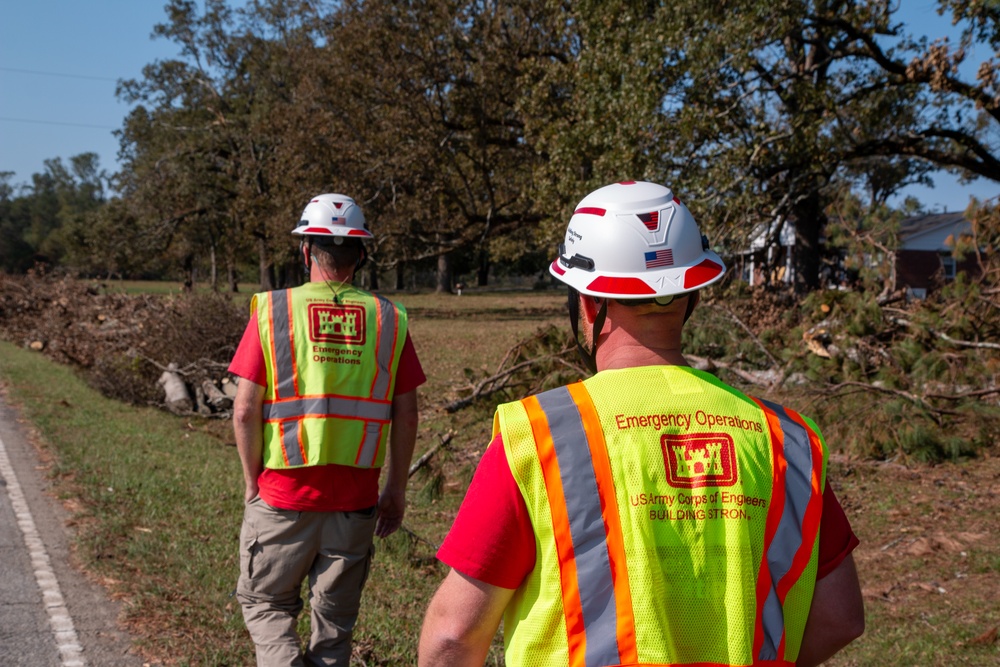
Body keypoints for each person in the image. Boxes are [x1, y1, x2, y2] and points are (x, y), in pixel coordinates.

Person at [419, 181, 864, 667]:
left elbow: (452, 637)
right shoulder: (789, 441)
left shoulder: (540, 434)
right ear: (690, 297)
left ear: (588, 303)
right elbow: (840, 617)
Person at [229, 193, 425, 666]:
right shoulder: (388, 319)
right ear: (361, 254)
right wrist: (395, 489)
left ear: (304, 250)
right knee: (335, 629)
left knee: (266, 604)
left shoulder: (274, 311)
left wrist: (252, 480)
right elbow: (408, 412)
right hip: (356, 502)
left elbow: (243, 411)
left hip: (282, 493)